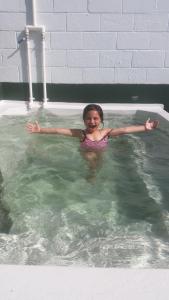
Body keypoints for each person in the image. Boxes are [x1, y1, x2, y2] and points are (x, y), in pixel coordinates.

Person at [27, 104, 159, 179]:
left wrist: (144, 127)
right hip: (86, 152)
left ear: (101, 119)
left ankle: (94, 173)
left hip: (102, 151)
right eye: (88, 119)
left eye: (95, 118)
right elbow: (59, 131)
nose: (92, 121)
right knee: (91, 158)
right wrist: (40, 130)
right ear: (84, 120)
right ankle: (92, 174)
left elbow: (125, 130)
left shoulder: (106, 133)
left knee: (103, 159)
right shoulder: (81, 134)